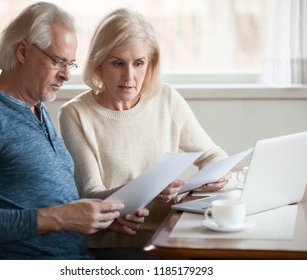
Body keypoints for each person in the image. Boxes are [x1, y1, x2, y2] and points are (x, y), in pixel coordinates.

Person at [0, 2, 148, 260]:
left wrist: (100, 218)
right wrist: (61, 217)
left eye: (69, 64)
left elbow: (43, 202)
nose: (66, 75)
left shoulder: (37, 109)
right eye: (58, 61)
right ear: (23, 51)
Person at [58, 8, 230, 259]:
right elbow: (91, 195)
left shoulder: (167, 98)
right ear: (99, 63)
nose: (129, 77)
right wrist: (148, 189)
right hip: (113, 244)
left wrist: (218, 174)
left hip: (169, 234)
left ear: (150, 63)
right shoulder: (75, 114)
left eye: (138, 63)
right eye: (118, 63)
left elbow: (213, 154)